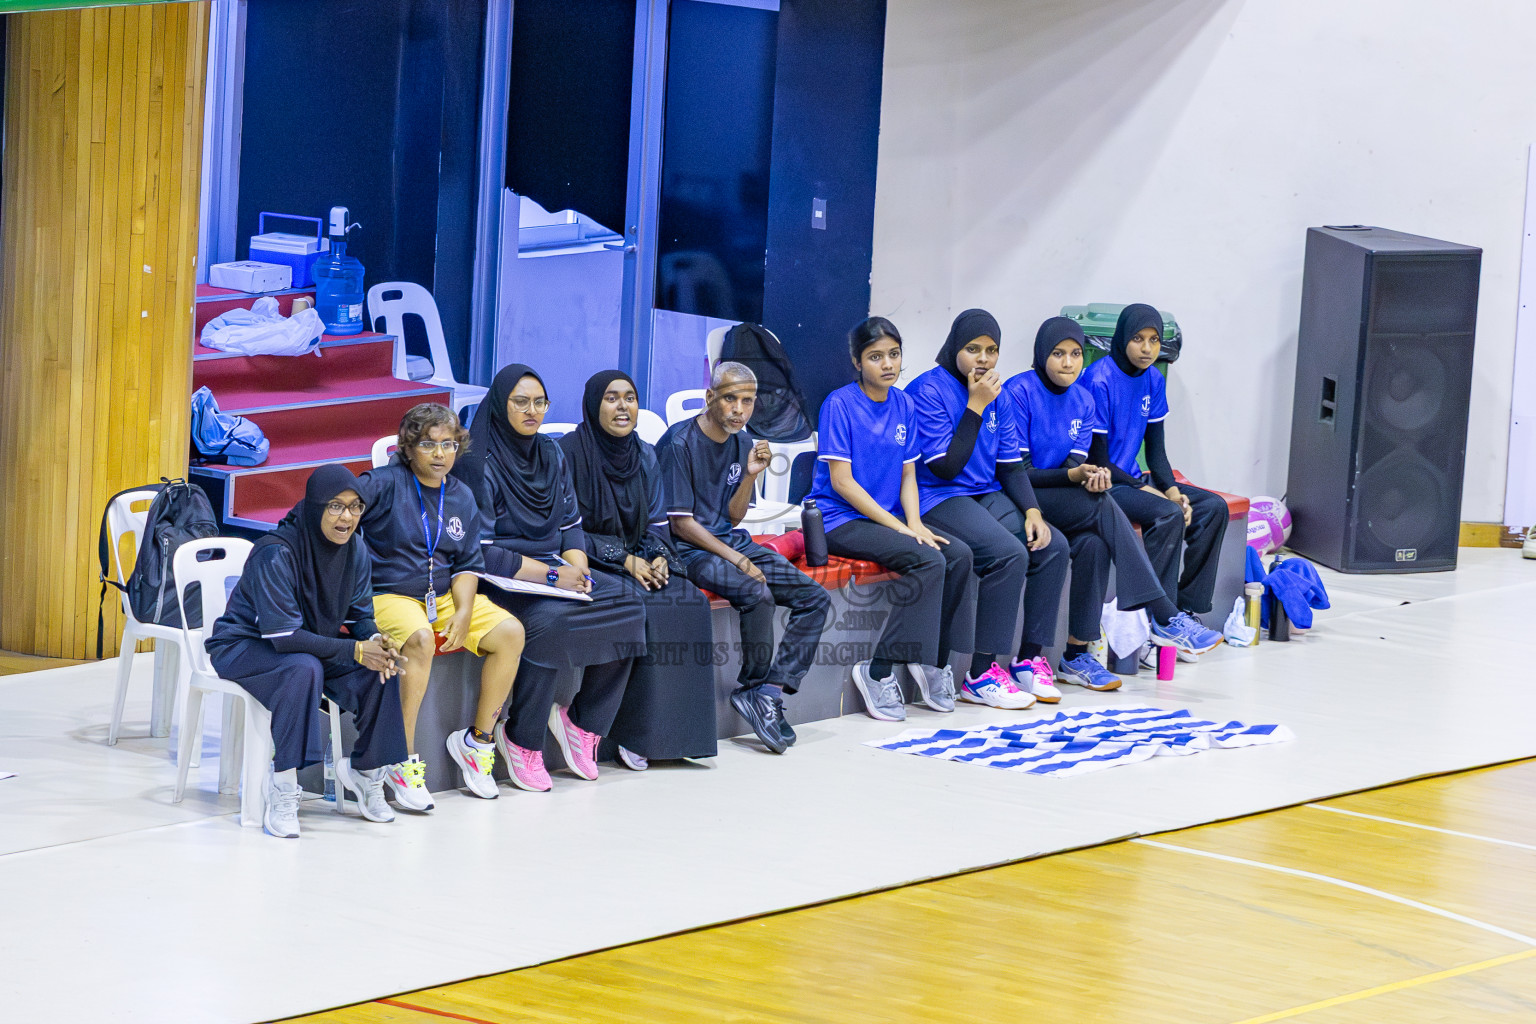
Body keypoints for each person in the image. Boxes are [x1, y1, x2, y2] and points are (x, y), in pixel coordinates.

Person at [453, 364, 647, 791]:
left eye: (539, 402)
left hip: (551, 569)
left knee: (630, 604)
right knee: (549, 621)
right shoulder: (476, 461)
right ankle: (521, 736)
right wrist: (554, 575)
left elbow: (570, 524)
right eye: (520, 402)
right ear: (501, 405)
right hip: (502, 577)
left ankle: (583, 722)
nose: (532, 411)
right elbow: (481, 553)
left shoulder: (551, 453)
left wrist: (577, 567)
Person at [1005, 317, 1216, 691]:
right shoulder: (1018, 392)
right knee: (1101, 505)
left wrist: (1087, 476)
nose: (1068, 363)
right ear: (1041, 354)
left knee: (1094, 544)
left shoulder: (1081, 399)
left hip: (1056, 494)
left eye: (1074, 354)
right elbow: (1018, 472)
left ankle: (1076, 656)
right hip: (1018, 495)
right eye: (1058, 354)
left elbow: (1074, 465)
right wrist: (1077, 479)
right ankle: (1164, 613)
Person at [205, 465, 408, 839]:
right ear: (315, 507)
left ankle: (366, 772)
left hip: (311, 644)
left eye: (355, 507)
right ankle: (283, 785)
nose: (346, 517)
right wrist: (355, 649)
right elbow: (283, 637)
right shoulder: (276, 552)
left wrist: (377, 642)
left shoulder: (356, 549)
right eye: (335, 506)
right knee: (303, 668)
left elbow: (360, 616)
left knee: (380, 671)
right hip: (244, 645)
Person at [803, 317, 974, 721]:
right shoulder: (839, 404)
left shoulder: (904, 404)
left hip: (887, 517)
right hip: (838, 519)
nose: (887, 364)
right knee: (928, 559)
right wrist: (901, 528)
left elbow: (909, 473)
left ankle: (934, 663)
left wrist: (914, 522)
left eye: (893, 354)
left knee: (961, 555)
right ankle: (877, 671)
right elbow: (843, 484)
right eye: (875, 356)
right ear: (857, 362)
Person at [355, 403, 526, 807]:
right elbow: (338, 516)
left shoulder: (462, 495)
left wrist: (464, 611)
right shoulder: (380, 484)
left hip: (443, 597)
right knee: (419, 639)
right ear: (408, 447)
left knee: (511, 633)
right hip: (388, 593)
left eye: (448, 444)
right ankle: (399, 756)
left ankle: (478, 741)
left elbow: (468, 563)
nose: (439, 454)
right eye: (428, 444)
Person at [657, 361, 831, 755]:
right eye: (730, 398)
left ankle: (770, 691)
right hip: (687, 551)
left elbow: (733, 517)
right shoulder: (678, 443)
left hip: (730, 539)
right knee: (757, 593)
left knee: (814, 599)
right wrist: (737, 559)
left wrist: (751, 474)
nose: (739, 409)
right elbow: (681, 524)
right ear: (710, 397)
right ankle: (751, 687)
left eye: (747, 401)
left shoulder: (742, 442)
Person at [558, 370, 719, 767]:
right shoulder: (568, 453)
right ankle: (619, 731)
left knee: (687, 601)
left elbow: (655, 524)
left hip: (636, 555)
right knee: (638, 605)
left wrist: (659, 556)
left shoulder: (644, 454)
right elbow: (568, 529)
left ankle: (662, 735)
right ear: (594, 404)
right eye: (611, 398)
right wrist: (625, 560)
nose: (622, 407)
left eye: (629, 398)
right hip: (586, 556)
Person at [910, 308, 1069, 708]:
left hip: (985, 491)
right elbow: (945, 468)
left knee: (1053, 546)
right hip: (937, 496)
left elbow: (1011, 464)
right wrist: (976, 406)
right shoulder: (928, 391)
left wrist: (1033, 512)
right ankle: (980, 674)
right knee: (1007, 553)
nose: (983, 358)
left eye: (992, 350)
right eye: (973, 348)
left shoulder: (996, 392)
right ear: (953, 348)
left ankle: (1030, 660)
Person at [1081, 304, 1226, 653]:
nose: (1147, 349)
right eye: (1138, 339)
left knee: (1213, 508)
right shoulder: (1097, 379)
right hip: (1103, 482)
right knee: (1166, 513)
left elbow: (1156, 451)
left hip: (1132, 477)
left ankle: (1185, 609)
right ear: (1121, 339)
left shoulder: (1153, 379)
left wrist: (1173, 490)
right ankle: (1161, 618)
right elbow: (1097, 459)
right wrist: (1153, 494)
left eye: (1154, 341)